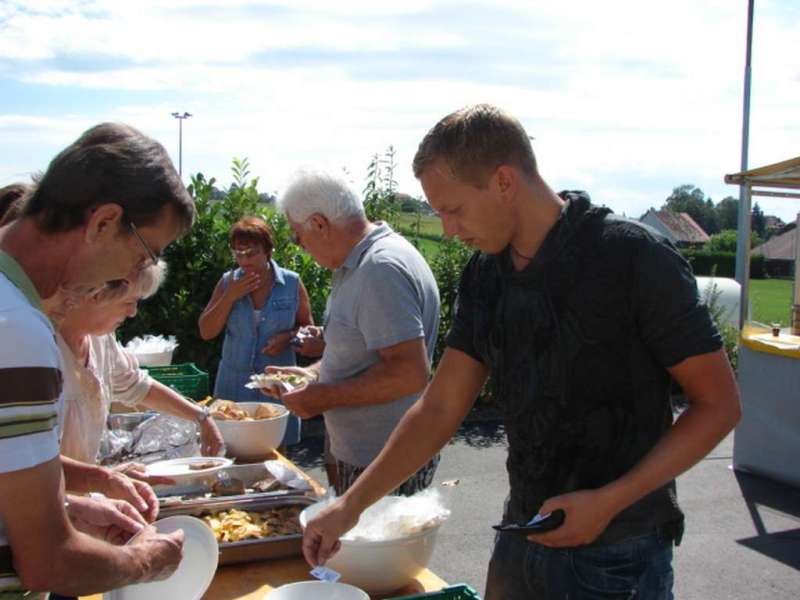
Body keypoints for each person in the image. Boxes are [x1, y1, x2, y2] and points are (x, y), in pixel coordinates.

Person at [302, 105, 742, 599]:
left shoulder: (633, 258)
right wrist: (351, 506)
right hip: (523, 533)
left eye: (453, 209)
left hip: (620, 554)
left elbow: (719, 406)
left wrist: (609, 501)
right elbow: (440, 407)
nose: (448, 230)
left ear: (504, 181)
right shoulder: (486, 275)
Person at [0, 121, 195, 598]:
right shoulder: (18, 332)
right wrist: (144, 560)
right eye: (146, 254)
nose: (138, 274)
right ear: (104, 222)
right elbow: (48, 564)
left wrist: (65, 506)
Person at [271, 170, 441, 496]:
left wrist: (323, 397)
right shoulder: (358, 262)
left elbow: (409, 373)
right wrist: (309, 377)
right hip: (374, 457)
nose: (299, 246)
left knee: (378, 548)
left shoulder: (379, 270)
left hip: (384, 462)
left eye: (297, 236)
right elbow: (356, 351)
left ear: (319, 224)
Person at [54, 261, 224, 472]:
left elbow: (136, 385)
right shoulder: (42, 346)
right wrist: (107, 478)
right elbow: (32, 464)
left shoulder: (101, 340)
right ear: (96, 295)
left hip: (82, 498)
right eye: (129, 301)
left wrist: (200, 417)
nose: (133, 312)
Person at [198, 216, 314, 446]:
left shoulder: (291, 283)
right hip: (233, 384)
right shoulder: (227, 283)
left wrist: (288, 338)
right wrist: (230, 296)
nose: (244, 260)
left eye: (251, 253)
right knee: (232, 448)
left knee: (278, 454)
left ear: (267, 251)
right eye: (238, 254)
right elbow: (206, 331)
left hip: (276, 387)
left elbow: (307, 328)